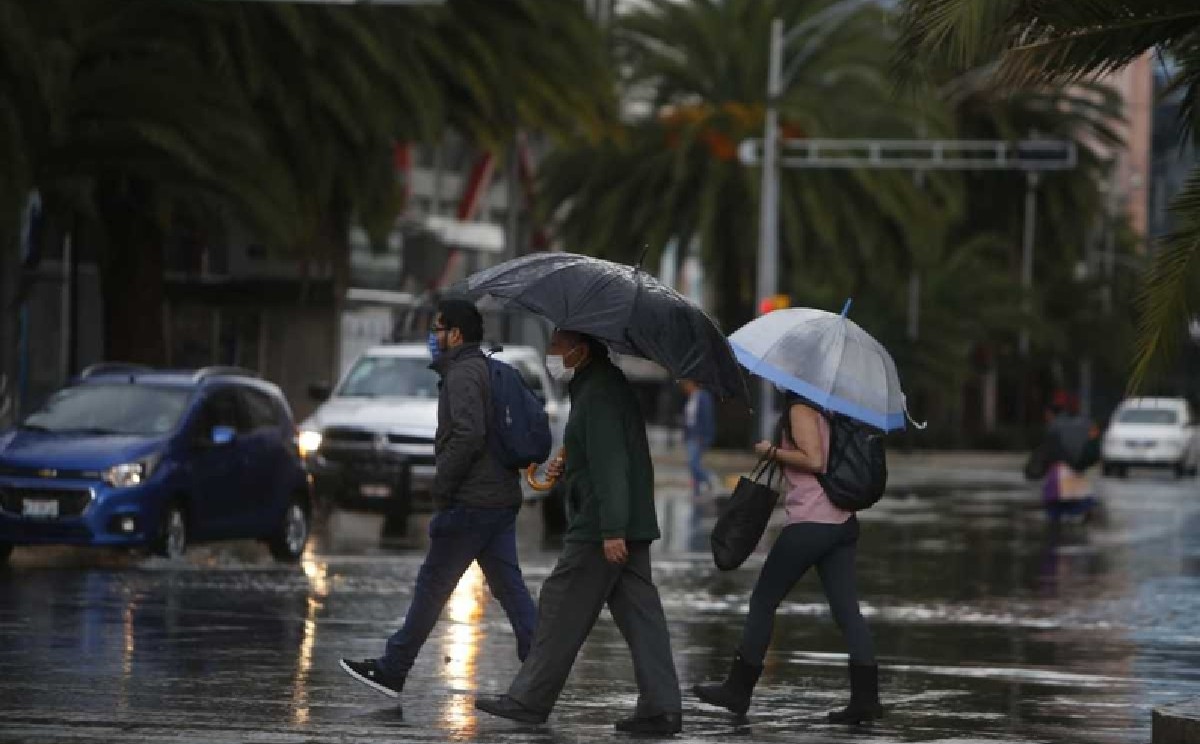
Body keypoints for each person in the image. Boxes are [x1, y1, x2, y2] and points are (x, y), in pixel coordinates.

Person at [474, 330, 683, 735]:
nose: (551, 353)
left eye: (556, 346)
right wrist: (567, 466)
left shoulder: (599, 394)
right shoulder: (598, 386)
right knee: (642, 617)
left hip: (603, 525)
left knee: (559, 601)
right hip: (627, 520)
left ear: (580, 351)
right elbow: (597, 454)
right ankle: (662, 707)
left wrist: (612, 530)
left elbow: (611, 466)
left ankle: (528, 699)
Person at [339, 299, 537, 700]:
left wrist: (442, 486)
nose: (433, 337)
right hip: (497, 498)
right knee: (509, 587)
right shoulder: (481, 369)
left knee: (433, 585)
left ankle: (393, 669)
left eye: (438, 329)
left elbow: (467, 434)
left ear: (456, 335)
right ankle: (540, 669)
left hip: (471, 501)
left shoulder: (464, 373)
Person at [693, 392, 881, 723]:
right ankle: (866, 699)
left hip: (811, 522)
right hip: (841, 522)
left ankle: (738, 689)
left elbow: (815, 460)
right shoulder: (830, 409)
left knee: (763, 601)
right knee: (847, 611)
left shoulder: (801, 408)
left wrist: (772, 451)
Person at [681, 379, 716, 499]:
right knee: (692, 464)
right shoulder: (691, 398)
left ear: (692, 383)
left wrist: (705, 437)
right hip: (690, 435)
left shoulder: (703, 397)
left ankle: (710, 478)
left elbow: (707, 418)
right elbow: (688, 418)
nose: (684, 387)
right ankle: (696, 491)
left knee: (693, 463)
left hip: (699, 436)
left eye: (686, 384)